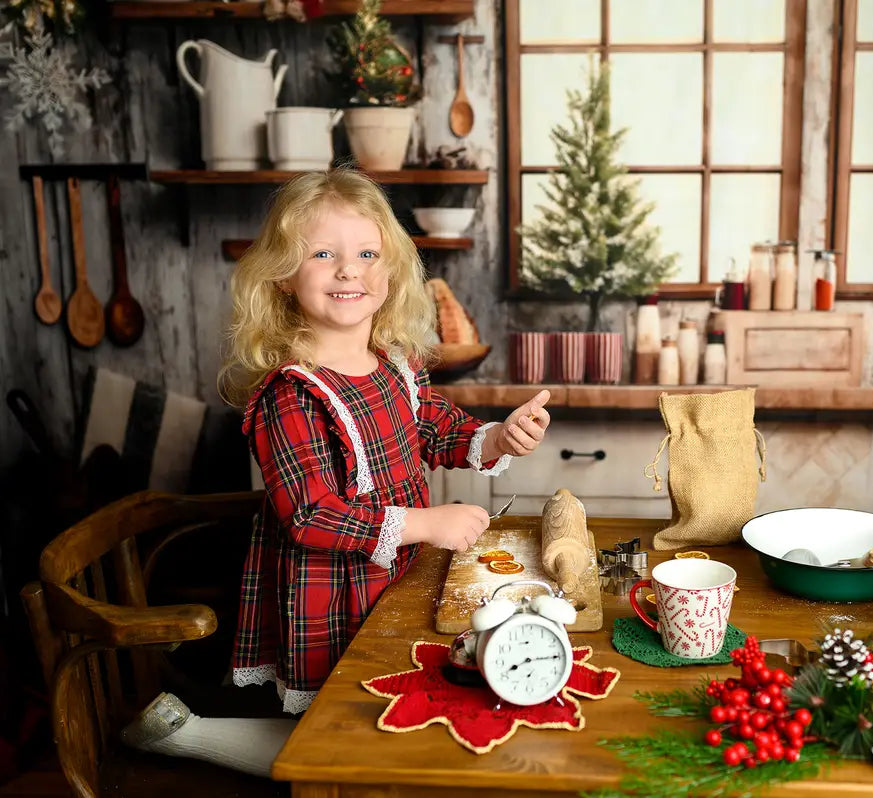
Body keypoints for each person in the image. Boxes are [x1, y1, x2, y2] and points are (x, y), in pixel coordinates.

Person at [120, 168, 551, 777]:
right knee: (344, 733)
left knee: (386, 711)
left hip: (395, 577)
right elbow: (311, 515)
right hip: (333, 595)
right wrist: (428, 522)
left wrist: (499, 437)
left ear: (391, 269)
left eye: (367, 253)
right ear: (284, 275)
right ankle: (189, 734)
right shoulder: (290, 394)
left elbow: (434, 428)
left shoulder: (395, 367)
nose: (349, 270)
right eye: (323, 254)